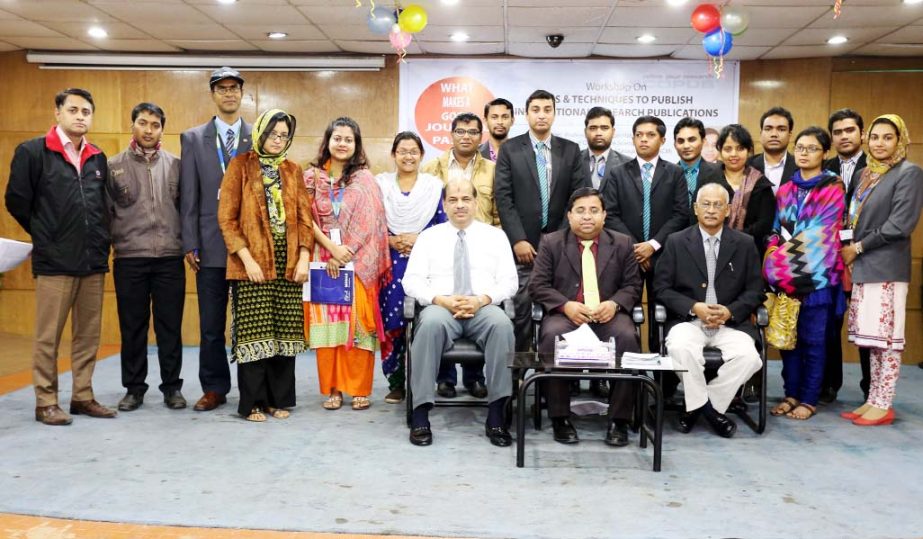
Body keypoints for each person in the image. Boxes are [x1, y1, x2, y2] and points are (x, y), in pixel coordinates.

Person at [5, 88, 117, 425]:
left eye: (86, 111)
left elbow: (104, 206)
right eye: (73, 110)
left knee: (87, 335)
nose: (80, 116)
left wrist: (100, 240)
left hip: (92, 260)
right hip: (55, 261)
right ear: (58, 113)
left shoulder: (98, 157)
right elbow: (17, 201)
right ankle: (46, 401)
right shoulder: (33, 152)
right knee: (48, 336)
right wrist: (45, 234)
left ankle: (82, 395)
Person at [402, 179, 518, 447]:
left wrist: (482, 300)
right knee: (428, 324)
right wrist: (439, 299)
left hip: (482, 307)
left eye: (466, 199)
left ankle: (497, 415)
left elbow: (509, 282)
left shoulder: (495, 236)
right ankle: (420, 415)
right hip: (442, 308)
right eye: (453, 200)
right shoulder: (429, 237)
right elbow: (412, 281)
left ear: (476, 203)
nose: (460, 205)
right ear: (444, 205)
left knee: (502, 326)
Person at [217, 108, 312, 422]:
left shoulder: (293, 169)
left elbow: (305, 219)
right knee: (254, 335)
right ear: (260, 133)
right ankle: (253, 403)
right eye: (273, 133)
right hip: (251, 264)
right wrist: (245, 259)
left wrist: (304, 257)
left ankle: (277, 400)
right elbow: (227, 220)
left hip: (288, 267)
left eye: (284, 135)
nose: (278, 140)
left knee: (284, 334)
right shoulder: (241, 166)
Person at [529, 187, 641, 447]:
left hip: (607, 316)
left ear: (604, 215)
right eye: (580, 211)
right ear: (569, 216)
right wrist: (565, 305)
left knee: (627, 337)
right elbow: (538, 285)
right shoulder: (551, 242)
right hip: (568, 314)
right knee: (551, 335)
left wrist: (614, 304)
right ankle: (560, 418)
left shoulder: (622, 243)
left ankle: (619, 421)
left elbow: (633, 286)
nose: (587, 217)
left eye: (593, 211)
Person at [653, 183, 764, 438]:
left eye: (718, 205)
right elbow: (662, 288)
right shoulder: (677, 241)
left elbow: (756, 290)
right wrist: (694, 307)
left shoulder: (745, 244)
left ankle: (698, 408)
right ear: (695, 208)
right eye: (706, 204)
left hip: (730, 323)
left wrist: (730, 311)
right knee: (680, 348)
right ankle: (711, 412)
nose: (711, 210)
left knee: (750, 358)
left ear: (727, 211)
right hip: (689, 321)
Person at [841, 114, 923, 426]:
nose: (879, 143)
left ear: (900, 140)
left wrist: (858, 248)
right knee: (872, 339)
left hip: (886, 267)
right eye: (875, 137)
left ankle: (884, 402)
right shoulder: (866, 174)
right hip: (863, 267)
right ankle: (873, 399)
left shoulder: (909, 173)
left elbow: (899, 226)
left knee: (887, 341)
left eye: (887, 137)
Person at [304, 117, 390, 411]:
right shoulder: (312, 177)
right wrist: (330, 249)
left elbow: (371, 221)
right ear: (327, 141)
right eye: (337, 138)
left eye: (348, 139)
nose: (342, 143)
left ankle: (358, 388)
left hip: (358, 264)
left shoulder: (365, 179)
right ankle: (333, 389)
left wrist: (346, 252)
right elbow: (304, 217)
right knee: (328, 328)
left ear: (356, 145)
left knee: (357, 327)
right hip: (322, 259)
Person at [180, 67, 253, 412]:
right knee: (211, 326)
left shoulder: (257, 136)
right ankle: (214, 387)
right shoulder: (193, 138)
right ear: (213, 95)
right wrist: (189, 242)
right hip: (208, 246)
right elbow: (189, 197)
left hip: (249, 249)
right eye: (221, 88)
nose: (228, 94)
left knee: (251, 321)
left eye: (234, 88)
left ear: (242, 94)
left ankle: (252, 387)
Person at [107, 102, 186, 412]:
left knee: (170, 327)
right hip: (129, 258)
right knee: (133, 327)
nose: (149, 130)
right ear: (133, 126)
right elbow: (106, 214)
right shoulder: (114, 166)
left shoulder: (177, 165)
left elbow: (185, 209)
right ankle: (134, 389)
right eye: (143, 123)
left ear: (162, 129)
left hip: (169, 258)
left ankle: (172, 388)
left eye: (155, 125)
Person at [494, 89, 586, 352]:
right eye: (536, 109)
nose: (542, 115)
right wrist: (518, 239)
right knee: (521, 311)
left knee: (560, 312)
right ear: (526, 114)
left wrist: (560, 239)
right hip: (524, 249)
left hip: (563, 247)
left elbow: (578, 199)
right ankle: (518, 375)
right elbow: (504, 198)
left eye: (547, 109)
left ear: (555, 114)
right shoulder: (511, 149)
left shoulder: (570, 150)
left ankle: (553, 377)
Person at [764, 127, 846, 421]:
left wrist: (778, 265)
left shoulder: (832, 187)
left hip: (818, 278)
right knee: (789, 341)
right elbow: (776, 229)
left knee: (813, 341)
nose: (804, 153)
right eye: (800, 147)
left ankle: (809, 399)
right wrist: (772, 248)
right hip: (787, 280)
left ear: (825, 153)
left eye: (812, 148)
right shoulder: (786, 189)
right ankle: (791, 393)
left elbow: (822, 235)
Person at [421, 112, 496, 398]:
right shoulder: (431, 168)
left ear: (481, 137)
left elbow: (498, 213)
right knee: (444, 310)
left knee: (476, 308)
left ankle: (475, 377)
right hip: (442, 251)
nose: (467, 136)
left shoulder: (492, 169)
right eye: (461, 131)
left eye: (473, 132)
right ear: (451, 134)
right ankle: (445, 378)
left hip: (481, 251)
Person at [601, 115, 688, 352]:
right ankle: (627, 376)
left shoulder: (674, 173)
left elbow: (681, 215)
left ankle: (663, 383)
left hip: (664, 256)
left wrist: (653, 245)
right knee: (625, 314)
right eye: (639, 135)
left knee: (664, 314)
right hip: (627, 256)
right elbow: (610, 213)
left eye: (650, 135)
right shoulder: (618, 173)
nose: (644, 140)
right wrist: (637, 247)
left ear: (662, 139)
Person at [376, 132, 447, 404]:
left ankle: (425, 381)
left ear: (421, 155)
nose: (408, 156)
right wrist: (391, 240)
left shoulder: (434, 187)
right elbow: (370, 225)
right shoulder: (380, 186)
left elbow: (443, 225)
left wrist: (420, 239)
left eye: (413, 151)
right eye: (402, 151)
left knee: (425, 323)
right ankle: (396, 384)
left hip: (426, 263)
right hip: (390, 263)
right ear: (393, 155)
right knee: (394, 324)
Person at [820, 108, 868, 404]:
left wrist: (858, 248)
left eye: (849, 130)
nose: (843, 136)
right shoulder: (823, 169)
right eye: (837, 132)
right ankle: (829, 385)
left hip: (866, 255)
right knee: (830, 323)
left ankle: (870, 390)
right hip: (829, 259)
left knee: (866, 328)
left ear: (861, 134)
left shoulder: (874, 168)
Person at [716, 124, 776, 254]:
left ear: (749, 151)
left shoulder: (761, 184)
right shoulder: (709, 180)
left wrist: (731, 239)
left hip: (750, 251)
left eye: (740, 148)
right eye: (728, 149)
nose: (734, 154)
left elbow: (764, 225)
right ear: (720, 151)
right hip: (712, 250)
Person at [673, 117, 732, 224]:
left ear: (703, 141)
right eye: (681, 141)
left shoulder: (718, 172)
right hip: (673, 238)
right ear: (675, 144)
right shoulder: (668, 175)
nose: (686, 146)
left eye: (692, 140)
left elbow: (727, 209)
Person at [749, 106, 797, 194]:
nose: (774, 134)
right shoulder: (748, 166)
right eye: (768, 129)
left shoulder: (800, 167)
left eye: (781, 129)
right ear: (761, 134)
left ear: (790, 135)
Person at [581, 107, 630, 191]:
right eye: (593, 128)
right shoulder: (572, 161)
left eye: (604, 128)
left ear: (613, 132)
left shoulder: (628, 164)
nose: (598, 133)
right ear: (585, 132)